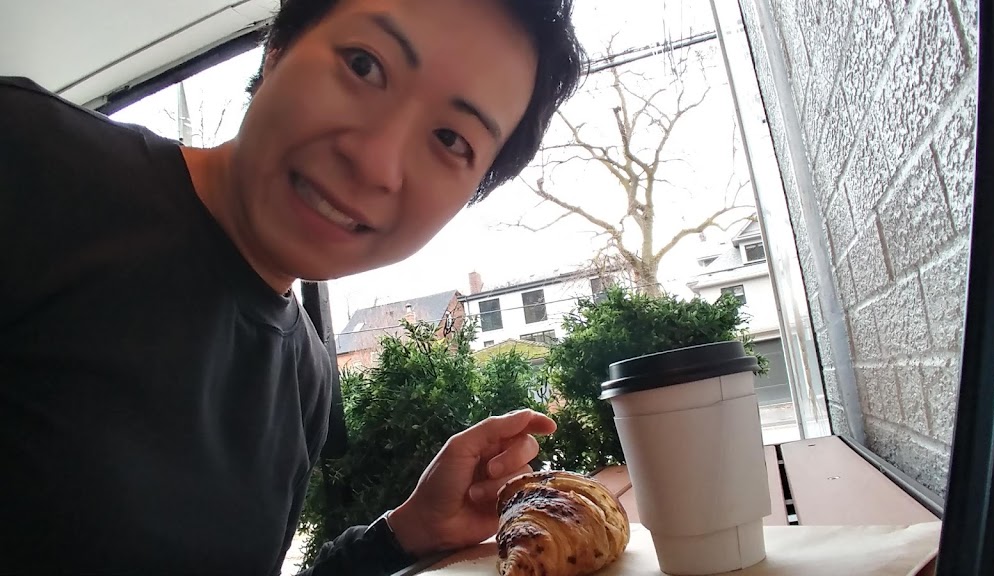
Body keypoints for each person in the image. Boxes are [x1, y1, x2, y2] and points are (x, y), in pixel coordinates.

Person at [0, 0, 585, 573]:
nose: (375, 162)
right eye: (364, 65)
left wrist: (408, 532)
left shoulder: (307, 371)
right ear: (278, 47)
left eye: (451, 139)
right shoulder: (30, 158)